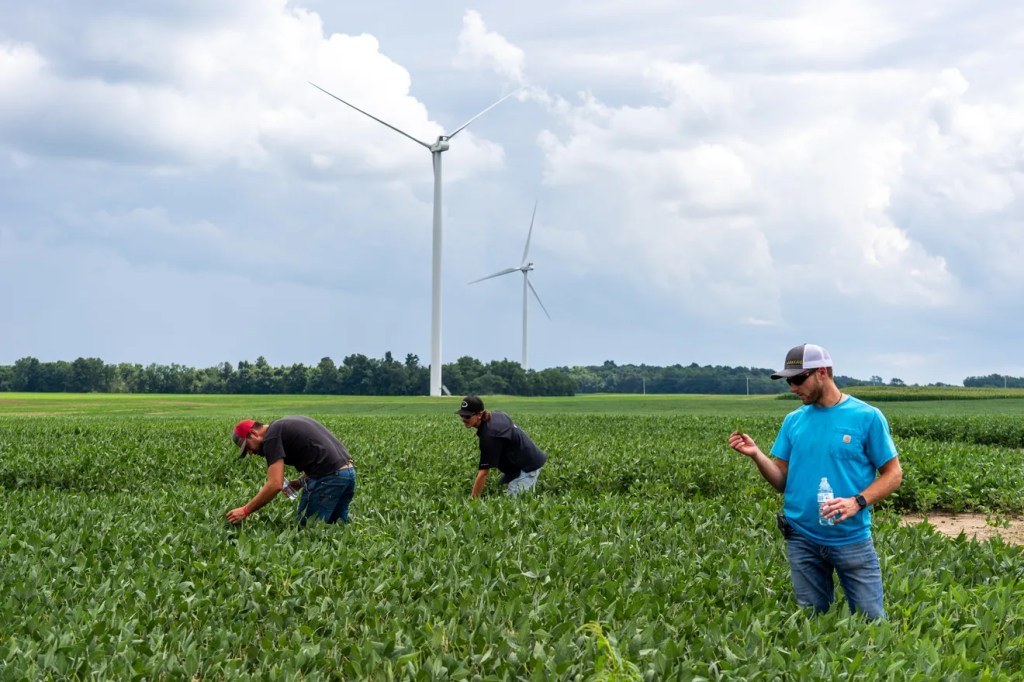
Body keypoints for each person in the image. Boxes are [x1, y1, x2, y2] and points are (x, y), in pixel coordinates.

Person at [727, 343, 902, 619]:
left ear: (822, 372)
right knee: (812, 622)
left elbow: (893, 474)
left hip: (850, 538)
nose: (792, 388)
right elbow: (781, 481)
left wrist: (857, 502)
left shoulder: (867, 417)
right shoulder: (793, 421)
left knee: (871, 621)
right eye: (789, 381)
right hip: (801, 537)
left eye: (798, 379)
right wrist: (756, 455)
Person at [225, 415, 356, 526]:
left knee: (309, 532)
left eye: (247, 446)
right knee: (336, 528)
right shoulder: (282, 426)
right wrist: (300, 481)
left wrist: (245, 511)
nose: (250, 452)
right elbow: (321, 456)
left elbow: (275, 484)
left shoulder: (271, 437)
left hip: (328, 479)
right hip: (347, 474)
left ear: (253, 434)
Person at [457, 395, 548, 498]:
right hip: (524, 462)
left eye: (467, 416)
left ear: (480, 414)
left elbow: (483, 473)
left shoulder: (489, 435)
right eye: (461, 415)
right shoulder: (496, 415)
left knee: (516, 505)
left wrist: (473, 500)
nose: (463, 419)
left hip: (526, 467)